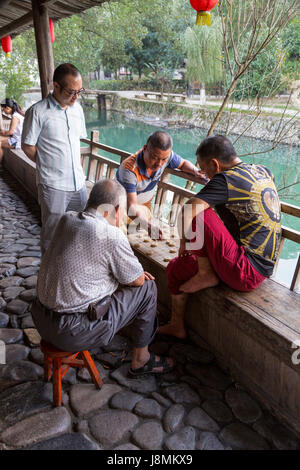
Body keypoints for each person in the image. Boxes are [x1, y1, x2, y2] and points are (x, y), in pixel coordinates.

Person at [31, 179, 174, 377]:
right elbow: (138, 280)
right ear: (115, 209)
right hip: (70, 333)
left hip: (39, 317)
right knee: (148, 288)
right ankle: (141, 358)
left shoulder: (67, 218)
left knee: (110, 277)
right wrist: (137, 276)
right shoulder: (111, 235)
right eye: (123, 211)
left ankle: (122, 328)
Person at [159, 135, 282, 339]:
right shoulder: (262, 170)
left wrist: (183, 242)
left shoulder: (225, 179)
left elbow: (189, 210)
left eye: (204, 168)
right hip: (263, 266)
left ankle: (206, 274)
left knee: (198, 211)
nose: (203, 174)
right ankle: (176, 325)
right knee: (176, 268)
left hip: (245, 270)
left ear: (215, 164)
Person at [21, 63, 87, 255]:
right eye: (70, 92)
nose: (75, 97)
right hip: (53, 185)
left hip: (79, 184)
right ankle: (50, 280)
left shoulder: (78, 110)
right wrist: (47, 164)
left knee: (79, 231)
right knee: (52, 236)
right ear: (55, 86)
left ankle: (71, 273)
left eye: (79, 91)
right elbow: (27, 146)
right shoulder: (38, 112)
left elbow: (75, 143)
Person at [115, 130, 208, 238]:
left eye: (163, 159)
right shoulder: (129, 170)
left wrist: (195, 171)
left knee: (135, 234)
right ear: (145, 149)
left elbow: (182, 163)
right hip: (119, 208)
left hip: (143, 208)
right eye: (154, 158)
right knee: (118, 237)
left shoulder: (166, 156)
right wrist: (148, 226)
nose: (159, 164)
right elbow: (132, 207)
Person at [0, 98, 25, 163]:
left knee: (0, 143)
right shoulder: (17, 114)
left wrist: (3, 133)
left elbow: (10, 132)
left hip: (18, 141)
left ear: (7, 108)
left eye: (3, 109)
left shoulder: (15, 116)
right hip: (17, 138)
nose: (3, 112)